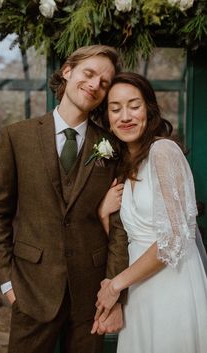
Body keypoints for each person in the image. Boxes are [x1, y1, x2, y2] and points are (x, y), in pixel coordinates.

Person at [0, 45, 129, 353]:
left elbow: (120, 226)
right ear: (68, 71)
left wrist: (114, 288)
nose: (94, 85)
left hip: (90, 293)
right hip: (30, 288)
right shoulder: (17, 136)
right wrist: (7, 282)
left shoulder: (111, 145)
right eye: (89, 73)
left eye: (103, 83)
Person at [92, 72, 207, 352]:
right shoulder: (122, 165)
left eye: (135, 105)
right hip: (139, 289)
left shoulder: (163, 151)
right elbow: (130, 238)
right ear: (107, 118)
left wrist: (115, 286)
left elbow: (175, 239)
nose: (126, 116)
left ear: (149, 109)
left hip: (172, 286)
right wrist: (104, 214)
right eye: (115, 109)